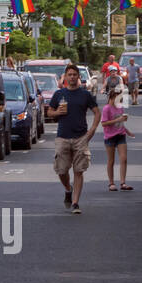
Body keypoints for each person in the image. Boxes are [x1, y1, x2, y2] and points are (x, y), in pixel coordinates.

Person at [46, 64, 101, 214]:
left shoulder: (85, 94)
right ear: (65, 77)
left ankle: (76, 203)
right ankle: (68, 189)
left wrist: (92, 130)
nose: (72, 77)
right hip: (62, 136)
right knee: (61, 170)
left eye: (74, 75)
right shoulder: (59, 94)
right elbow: (49, 112)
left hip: (81, 137)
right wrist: (57, 112)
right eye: (69, 75)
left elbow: (97, 112)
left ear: (78, 76)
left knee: (79, 170)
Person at [100, 88, 134, 191]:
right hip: (110, 137)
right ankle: (111, 183)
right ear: (112, 97)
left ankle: (123, 183)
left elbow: (120, 123)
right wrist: (118, 119)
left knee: (123, 158)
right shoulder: (106, 108)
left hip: (121, 135)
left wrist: (127, 131)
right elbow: (103, 123)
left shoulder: (120, 108)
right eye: (118, 98)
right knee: (111, 160)